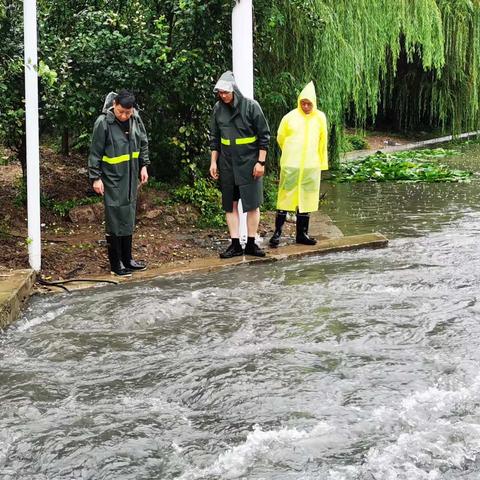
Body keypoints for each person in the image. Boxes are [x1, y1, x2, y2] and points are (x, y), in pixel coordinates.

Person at [209, 71, 271, 258]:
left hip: (249, 162)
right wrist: (213, 162)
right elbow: (215, 138)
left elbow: (264, 136)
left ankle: (251, 243)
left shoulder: (251, 107)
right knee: (230, 204)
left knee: (252, 204)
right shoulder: (218, 109)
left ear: (234, 90)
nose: (223, 96)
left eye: (226, 92)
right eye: (220, 93)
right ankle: (235, 244)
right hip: (227, 162)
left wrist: (260, 162)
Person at [88, 89, 150, 276]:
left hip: (131, 175)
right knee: (115, 217)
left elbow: (143, 143)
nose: (124, 116)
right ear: (114, 105)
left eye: (127, 112)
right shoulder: (103, 123)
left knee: (129, 214)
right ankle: (116, 263)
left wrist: (143, 166)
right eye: (121, 111)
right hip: (112, 177)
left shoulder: (135, 119)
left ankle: (128, 259)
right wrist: (95, 177)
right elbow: (95, 152)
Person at [269, 81, 328, 247]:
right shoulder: (290, 117)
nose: (306, 106)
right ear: (299, 101)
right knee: (285, 197)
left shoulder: (320, 118)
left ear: (314, 103)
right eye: (303, 103)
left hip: (310, 165)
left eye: (309, 103)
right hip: (292, 165)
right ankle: (277, 233)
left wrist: (321, 163)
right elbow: (281, 137)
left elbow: (323, 141)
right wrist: (290, 153)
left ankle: (302, 234)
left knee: (307, 198)